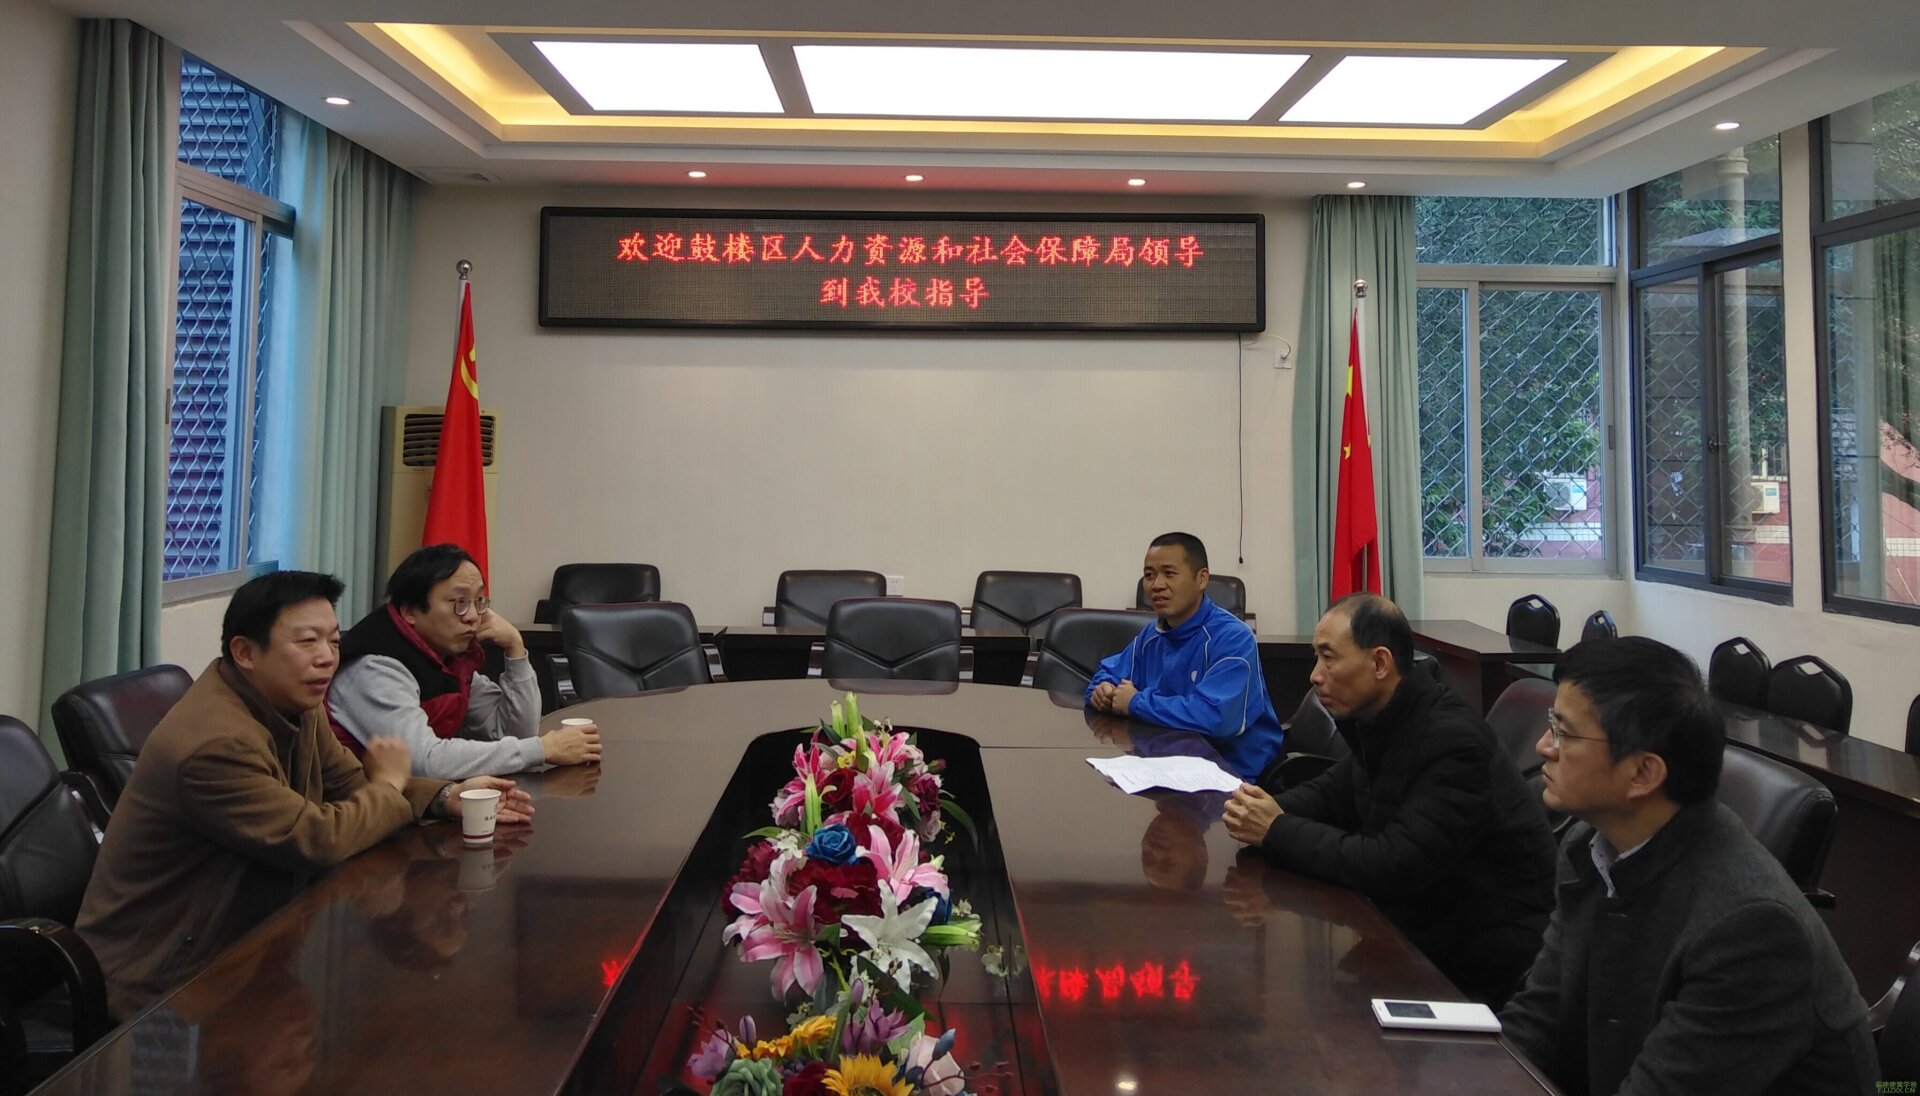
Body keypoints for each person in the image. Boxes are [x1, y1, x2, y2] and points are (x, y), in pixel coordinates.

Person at [75, 570, 532, 1018]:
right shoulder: (216, 745)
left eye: (333, 641)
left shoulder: (292, 701)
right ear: (245, 652)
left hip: (247, 940)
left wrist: (447, 796)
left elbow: (352, 784)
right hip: (163, 980)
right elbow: (317, 839)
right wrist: (389, 786)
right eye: (308, 642)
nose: (327, 658)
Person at [1500, 637, 1876, 1095]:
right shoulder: (1590, 848)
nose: (1543, 746)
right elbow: (1539, 1014)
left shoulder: (1752, 928)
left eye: (1564, 733)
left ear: (1643, 773)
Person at [1223, 593, 1556, 1007]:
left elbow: (1388, 866)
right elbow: (1330, 793)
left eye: (1328, 658)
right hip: (1420, 933)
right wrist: (1262, 807)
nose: (1314, 675)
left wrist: (1275, 828)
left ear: (1380, 663)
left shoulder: (1450, 741)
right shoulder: (1385, 720)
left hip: (1475, 968)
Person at [327, 543, 601, 779]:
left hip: (412, 800)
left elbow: (517, 733)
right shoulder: (375, 667)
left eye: (479, 601)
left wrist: (515, 649)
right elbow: (423, 761)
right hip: (353, 809)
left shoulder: (450, 658)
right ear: (410, 611)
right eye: (459, 602)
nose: (472, 616)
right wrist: (541, 750)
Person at [1085, 532, 1284, 779]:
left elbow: (1217, 718)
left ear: (1201, 579)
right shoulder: (1152, 633)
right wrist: (1102, 690)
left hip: (1235, 774)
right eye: (1149, 575)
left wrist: (1136, 703)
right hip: (1173, 764)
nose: (1157, 585)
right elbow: (1110, 672)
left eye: (1169, 574)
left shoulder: (1233, 638)